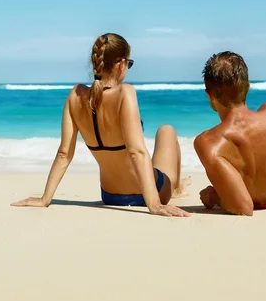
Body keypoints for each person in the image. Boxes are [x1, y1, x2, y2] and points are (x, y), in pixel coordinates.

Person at [11, 33, 190, 217]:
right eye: (129, 63)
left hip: (110, 196)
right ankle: (176, 188)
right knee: (166, 130)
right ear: (121, 64)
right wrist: (154, 205)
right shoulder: (124, 93)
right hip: (151, 194)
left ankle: (176, 186)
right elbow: (136, 152)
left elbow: (64, 154)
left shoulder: (76, 95)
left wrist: (44, 199)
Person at [193, 51, 266, 216]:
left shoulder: (207, 142)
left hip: (244, 197)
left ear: (209, 94)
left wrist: (215, 197)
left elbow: (243, 207)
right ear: (247, 88)